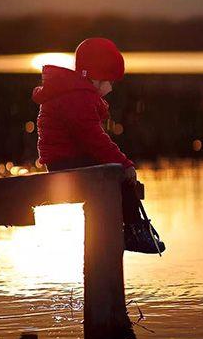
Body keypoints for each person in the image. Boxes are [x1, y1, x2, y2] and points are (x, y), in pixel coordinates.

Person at [31, 37, 165, 254]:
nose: (111, 88)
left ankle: (133, 227)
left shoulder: (75, 94)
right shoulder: (78, 98)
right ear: (96, 77)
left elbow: (90, 141)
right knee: (116, 173)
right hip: (65, 165)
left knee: (114, 171)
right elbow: (94, 140)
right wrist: (125, 164)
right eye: (110, 81)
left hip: (64, 161)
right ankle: (133, 230)